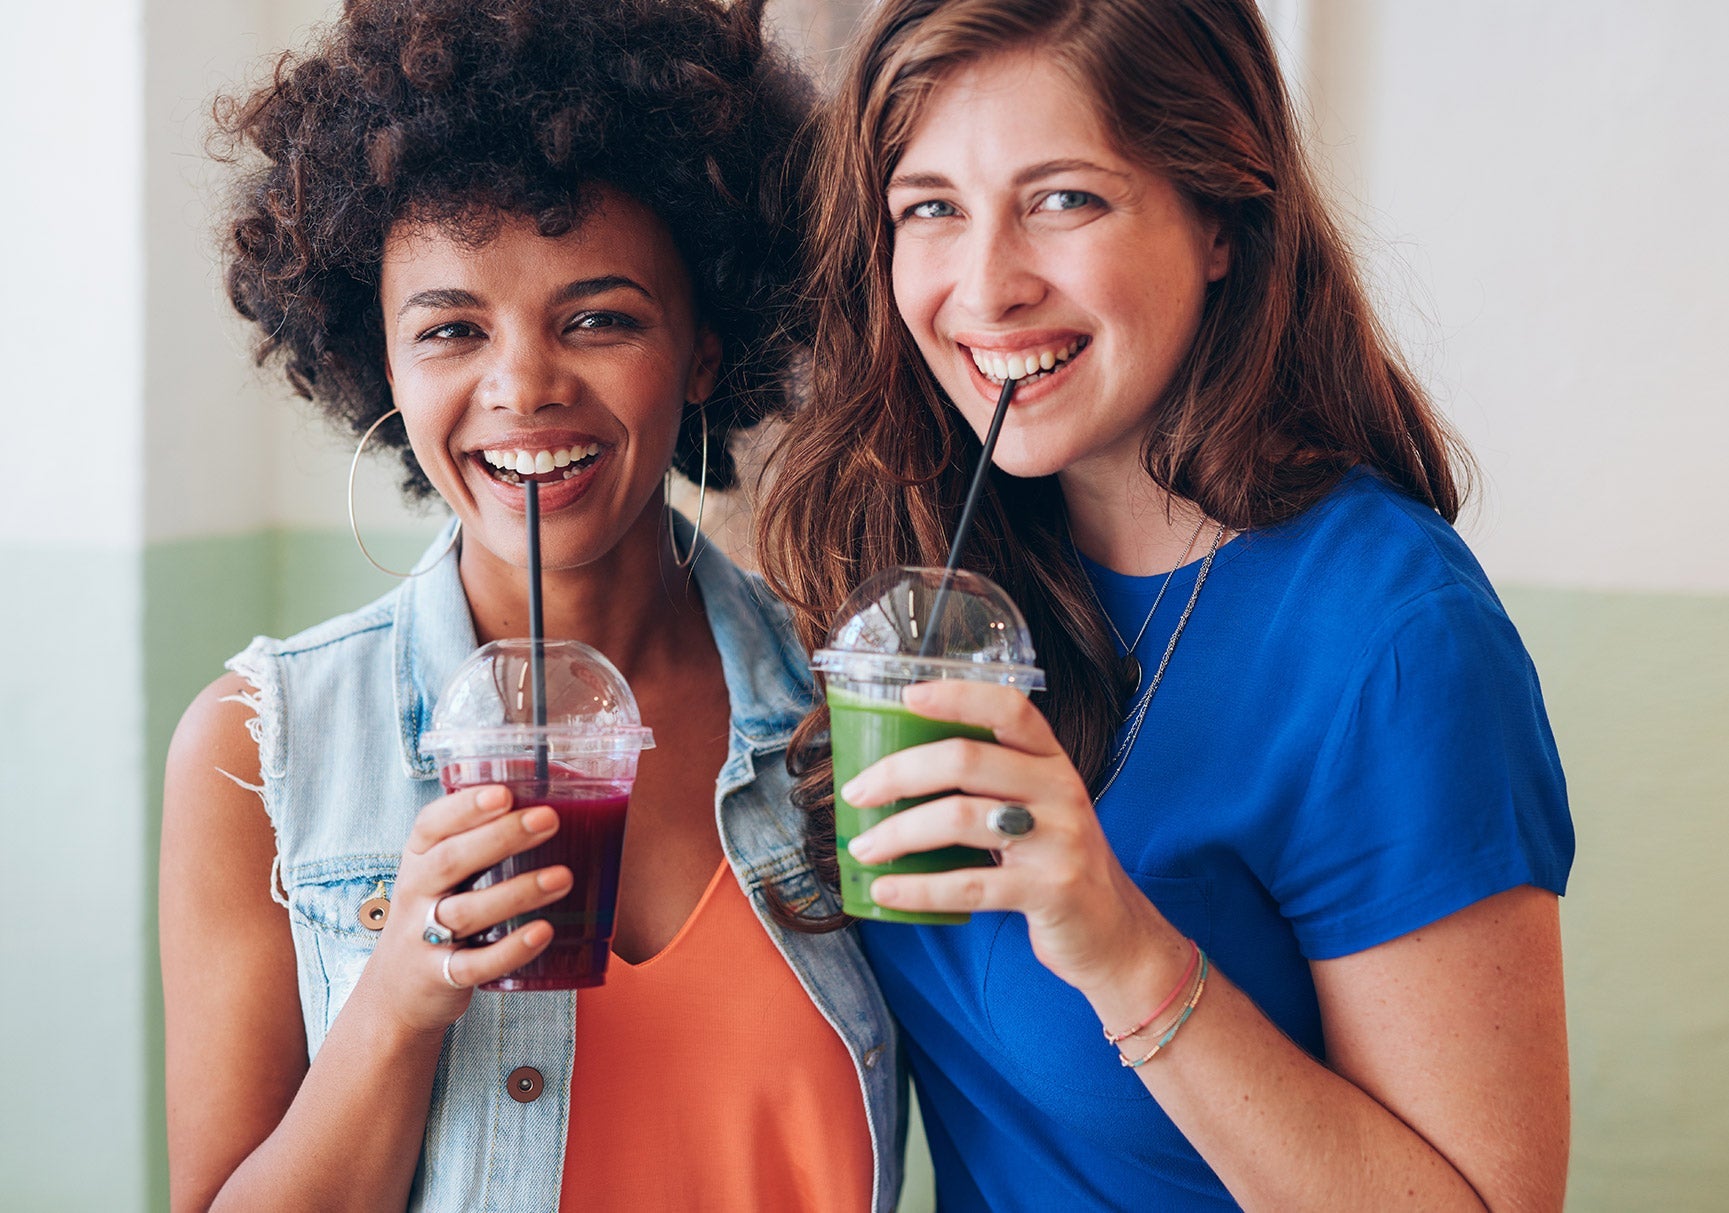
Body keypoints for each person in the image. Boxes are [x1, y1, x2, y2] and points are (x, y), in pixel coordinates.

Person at [757, 0, 1573, 1208]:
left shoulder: (1391, 640)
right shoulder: (937, 554)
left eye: (1065, 198)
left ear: (1220, 221)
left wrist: (1119, 948)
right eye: (930, 207)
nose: (984, 287)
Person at [160, 2, 900, 1210]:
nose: (522, 387)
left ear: (705, 347)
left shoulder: (839, 707)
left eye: (599, 318)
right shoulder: (258, 752)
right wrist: (399, 994)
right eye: (451, 328)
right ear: (379, 362)